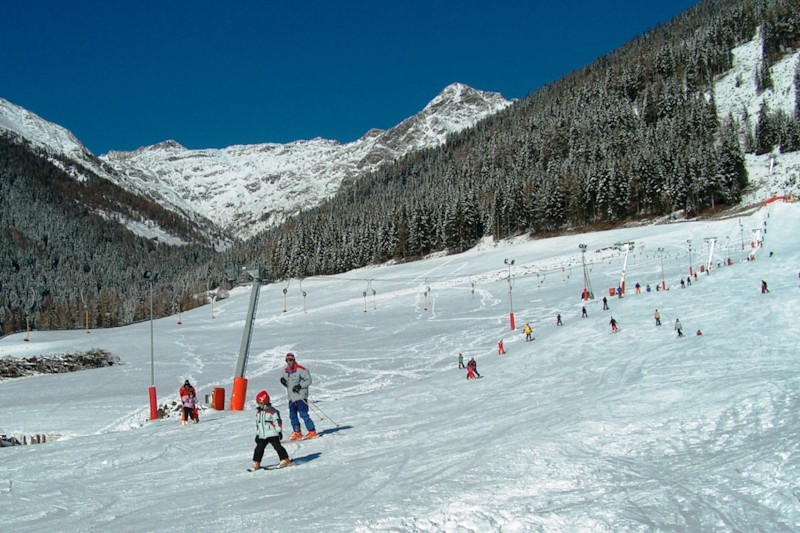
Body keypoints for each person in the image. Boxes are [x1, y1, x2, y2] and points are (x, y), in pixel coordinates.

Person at [280, 353, 317, 440]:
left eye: (291, 360)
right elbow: (289, 384)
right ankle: (297, 432)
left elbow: (309, 381)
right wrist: (283, 381)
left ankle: (312, 431)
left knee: (303, 413)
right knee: (292, 414)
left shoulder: (301, 370)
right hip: (291, 397)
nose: (289, 362)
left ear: (294, 360)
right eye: (287, 360)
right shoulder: (285, 371)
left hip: (300, 396)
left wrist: (300, 386)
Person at [250, 390, 291, 471]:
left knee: (277, 447)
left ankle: (285, 459)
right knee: (258, 448)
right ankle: (256, 462)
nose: (259, 405)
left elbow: (278, 421)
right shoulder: (258, 412)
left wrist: (279, 431)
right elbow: (258, 424)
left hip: (272, 433)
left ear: (265, 402)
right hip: (262, 434)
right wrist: (258, 434)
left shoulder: (272, 411)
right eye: (258, 403)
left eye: (261, 403)